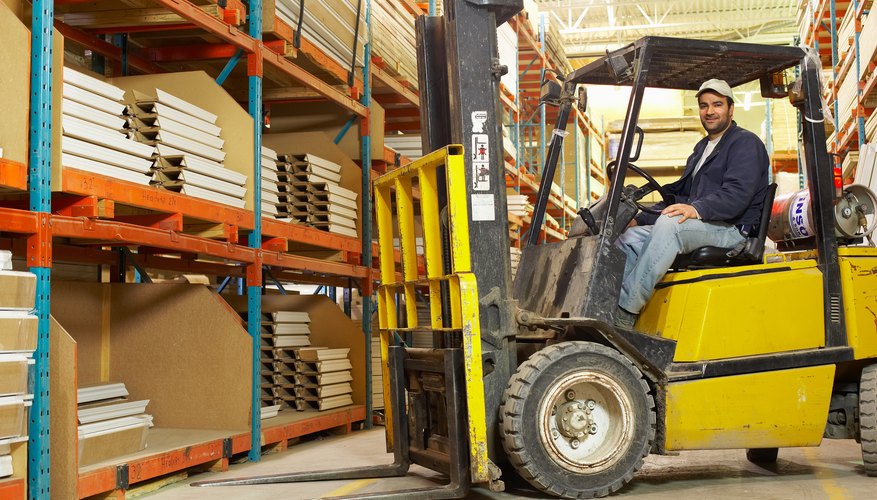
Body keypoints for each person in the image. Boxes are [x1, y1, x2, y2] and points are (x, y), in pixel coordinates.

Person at [615, 79, 769, 329]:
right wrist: (638, 214)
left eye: (717, 104)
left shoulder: (745, 143)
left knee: (670, 225)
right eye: (704, 105)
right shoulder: (702, 148)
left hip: (731, 229)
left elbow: (736, 195)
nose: (710, 111)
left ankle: (625, 311)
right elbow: (680, 196)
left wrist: (697, 209)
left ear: (731, 109)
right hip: (706, 225)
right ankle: (608, 305)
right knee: (630, 237)